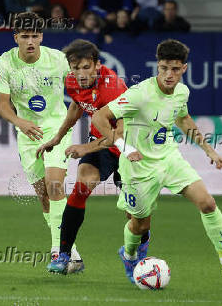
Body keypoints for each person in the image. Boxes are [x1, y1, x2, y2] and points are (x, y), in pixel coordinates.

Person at [91, 39, 222, 282]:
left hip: (169, 158)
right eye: (164, 68)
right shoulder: (139, 94)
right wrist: (123, 146)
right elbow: (99, 117)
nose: (169, 75)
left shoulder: (181, 92)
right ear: (157, 65)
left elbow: (183, 119)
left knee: (208, 204)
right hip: (137, 168)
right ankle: (129, 254)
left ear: (184, 69)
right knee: (140, 225)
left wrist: (209, 150)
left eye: (175, 69)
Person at [36, 39, 150, 274]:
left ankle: (137, 251)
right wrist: (57, 138)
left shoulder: (113, 88)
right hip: (101, 145)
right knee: (81, 188)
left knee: (136, 214)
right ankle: (64, 255)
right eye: (75, 68)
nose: (80, 73)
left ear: (97, 65)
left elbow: (119, 134)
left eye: (86, 67)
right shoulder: (72, 82)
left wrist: (86, 149)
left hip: (129, 148)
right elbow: (77, 107)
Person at [0, 12, 83, 274]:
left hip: (57, 129)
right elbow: (2, 105)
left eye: (35, 36)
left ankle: (59, 251)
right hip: (27, 134)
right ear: (16, 38)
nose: (30, 41)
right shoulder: (5, 63)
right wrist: (20, 123)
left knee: (55, 184)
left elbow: (79, 90)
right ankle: (71, 252)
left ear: (41, 37)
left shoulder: (57, 59)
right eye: (25, 37)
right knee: (44, 196)